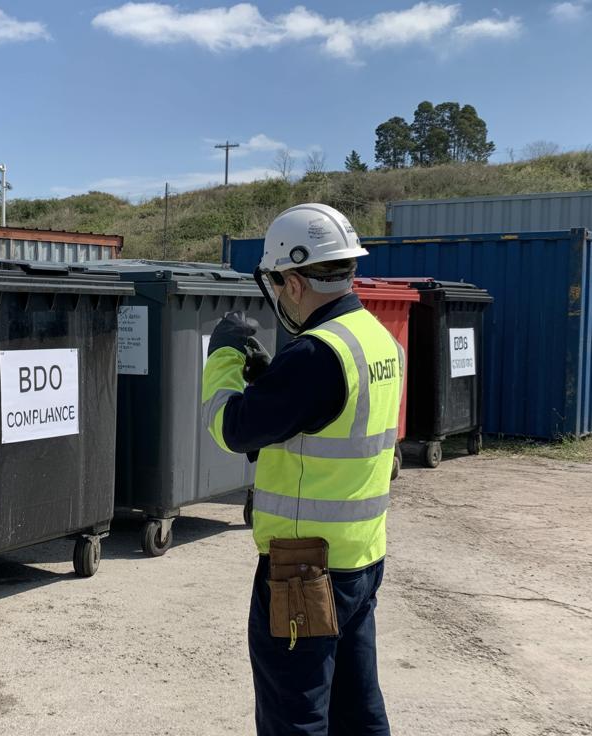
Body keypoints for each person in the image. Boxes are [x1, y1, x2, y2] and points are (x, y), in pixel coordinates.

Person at [201, 203, 403, 735]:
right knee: (357, 710)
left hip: (303, 571)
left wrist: (221, 359)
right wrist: (274, 381)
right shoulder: (377, 340)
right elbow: (329, 425)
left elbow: (232, 428)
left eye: (278, 282)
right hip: (360, 558)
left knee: (296, 717)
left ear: (293, 281)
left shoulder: (315, 355)